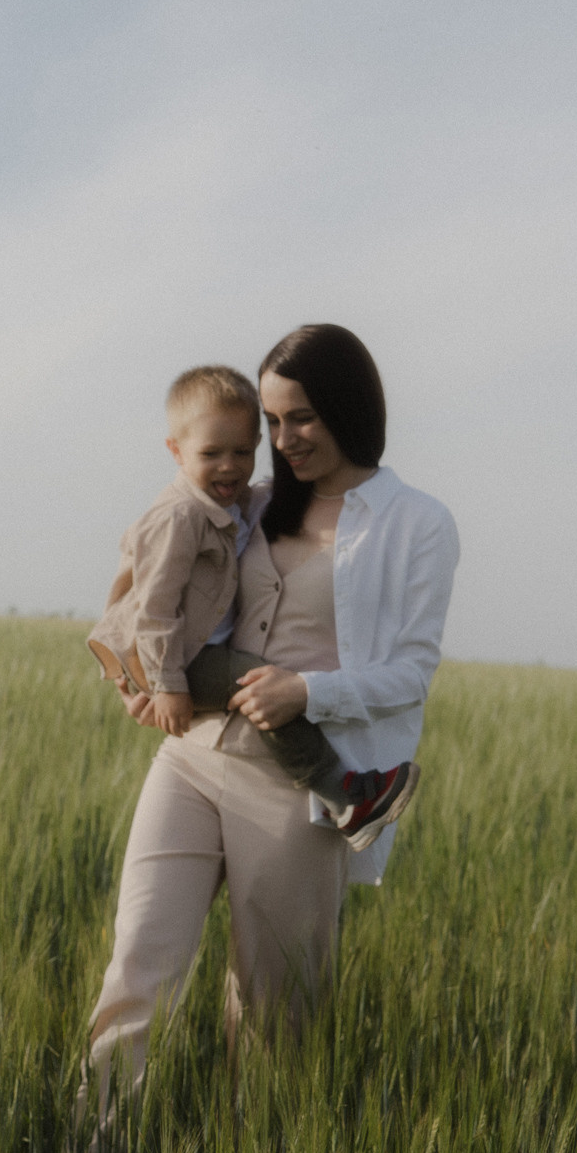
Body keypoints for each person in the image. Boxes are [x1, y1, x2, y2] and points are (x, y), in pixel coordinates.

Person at [87, 323, 459, 1093]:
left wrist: (307, 690)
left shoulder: (416, 523)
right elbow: (147, 564)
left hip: (297, 785)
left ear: (350, 408)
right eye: (272, 422)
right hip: (191, 753)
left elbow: (413, 672)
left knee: (273, 1014)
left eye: (302, 418)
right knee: (136, 969)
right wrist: (135, 671)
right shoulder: (250, 504)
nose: (283, 439)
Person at [86, 363, 418, 848]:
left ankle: (343, 795)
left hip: (185, 653)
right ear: (175, 451)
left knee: (261, 682)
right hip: (173, 657)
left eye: (243, 452)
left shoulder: (235, 505)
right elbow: (154, 612)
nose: (230, 466)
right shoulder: (180, 516)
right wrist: (167, 685)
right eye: (211, 453)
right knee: (260, 683)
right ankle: (345, 796)